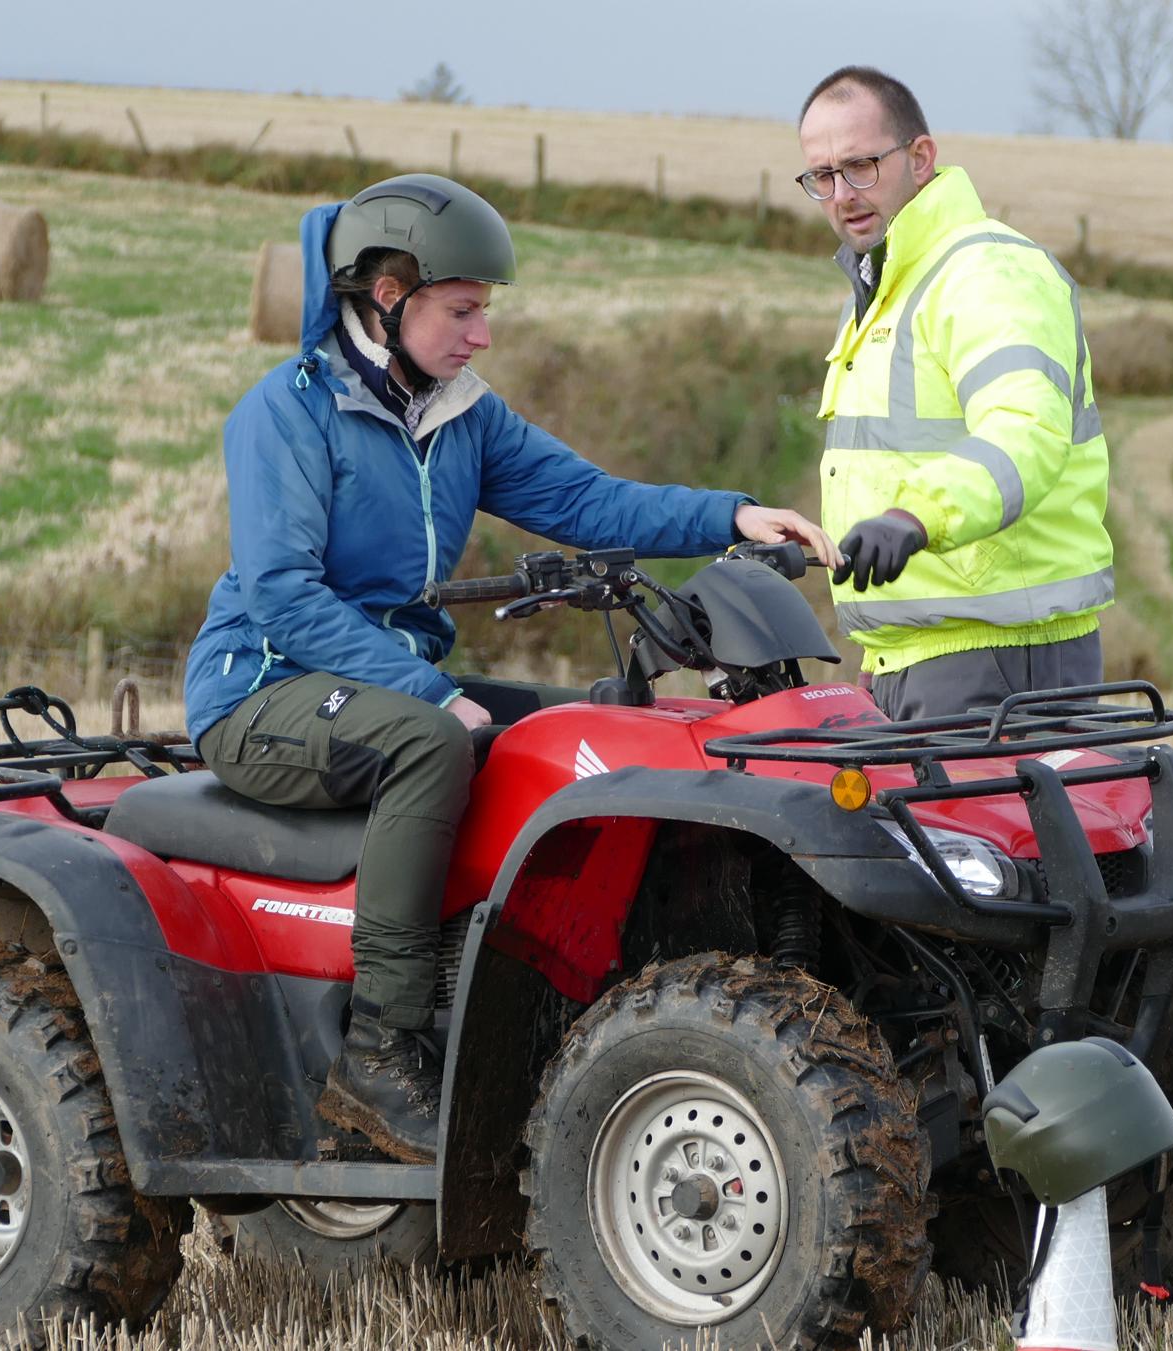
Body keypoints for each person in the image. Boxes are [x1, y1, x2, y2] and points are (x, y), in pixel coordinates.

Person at [182, 173, 835, 1164]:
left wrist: (731, 516)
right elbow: (283, 596)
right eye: (463, 310)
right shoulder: (286, 414)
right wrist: (431, 692)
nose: (480, 334)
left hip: (377, 683)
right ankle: (379, 1051)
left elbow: (591, 502)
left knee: (557, 736)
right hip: (262, 687)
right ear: (387, 295)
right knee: (431, 739)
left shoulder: (459, 416)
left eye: (484, 311)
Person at [797, 66, 1115, 722]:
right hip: (911, 659)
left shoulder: (985, 272)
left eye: (860, 166)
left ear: (920, 158)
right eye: (822, 177)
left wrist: (914, 517)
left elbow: (1022, 432)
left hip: (1003, 660)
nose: (842, 194)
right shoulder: (885, 286)